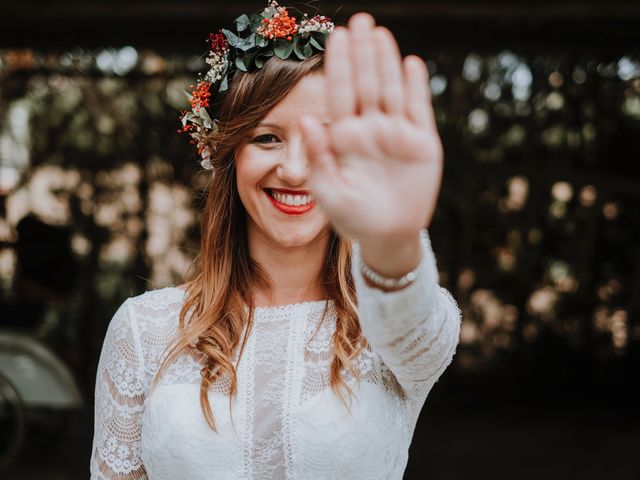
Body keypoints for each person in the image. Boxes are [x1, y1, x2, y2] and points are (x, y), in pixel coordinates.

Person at [90, 2, 461, 479]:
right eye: (267, 138)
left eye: (325, 141)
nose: (295, 169)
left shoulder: (387, 326)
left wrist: (394, 244)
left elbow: (421, 330)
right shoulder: (143, 331)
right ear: (229, 155)